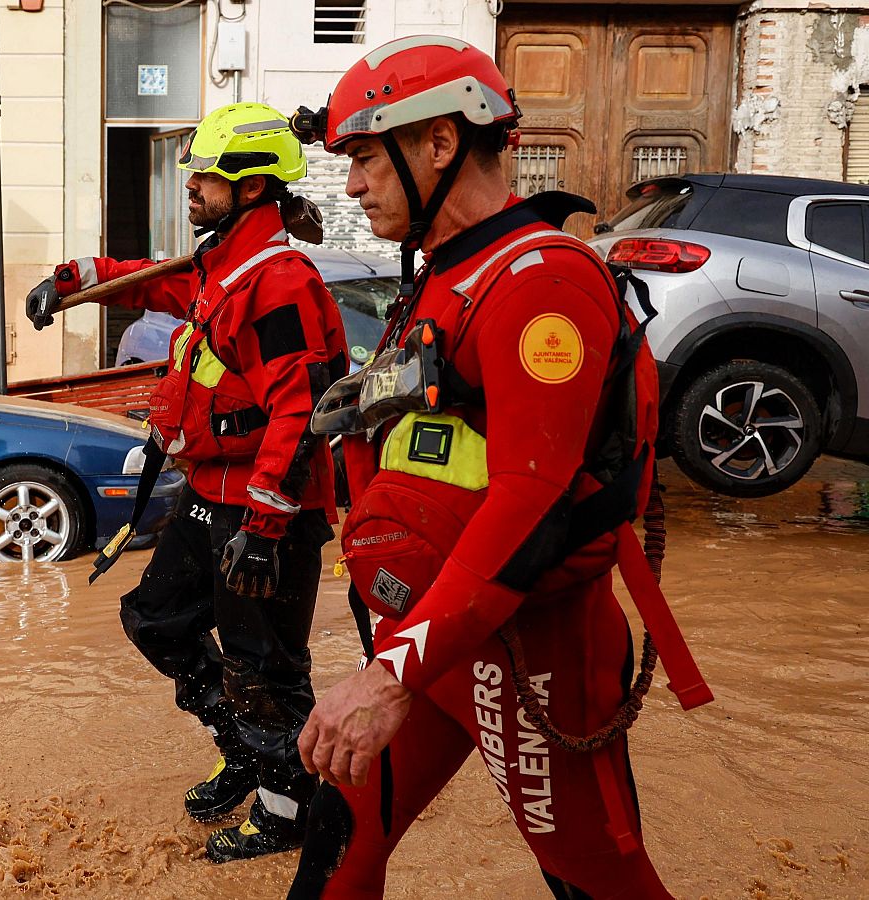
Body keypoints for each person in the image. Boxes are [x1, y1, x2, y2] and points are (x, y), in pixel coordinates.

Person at [283, 36, 707, 898]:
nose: (352, 184)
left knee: (599, 882)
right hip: (441, 635)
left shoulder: (537, 283)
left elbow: (530, 502)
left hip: (531, 652)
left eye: (365, 157)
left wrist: (389, 674)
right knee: (340, 836)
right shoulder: (445, 272)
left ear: (439, 144)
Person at [25, 103, 347, 862]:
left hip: (265, 514)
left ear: (251, 185)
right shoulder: (225, 264)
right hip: (212, 496)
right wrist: (69, 280)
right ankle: (243, 749)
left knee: (263, 668)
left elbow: (298, 412)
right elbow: (150, 282)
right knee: (156, 620)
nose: (191, 186)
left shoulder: (279, 282)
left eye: (205, 175)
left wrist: (265, 531)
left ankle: (287, 811)